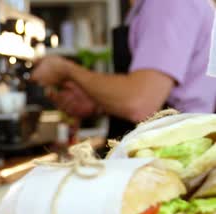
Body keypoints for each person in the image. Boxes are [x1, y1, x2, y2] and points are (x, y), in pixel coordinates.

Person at [31, 0, 216, 140]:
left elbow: (140, 104)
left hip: (171, 151)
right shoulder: (146, 7)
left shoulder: (169, 4)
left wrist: (67, 69)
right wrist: (98, 102)